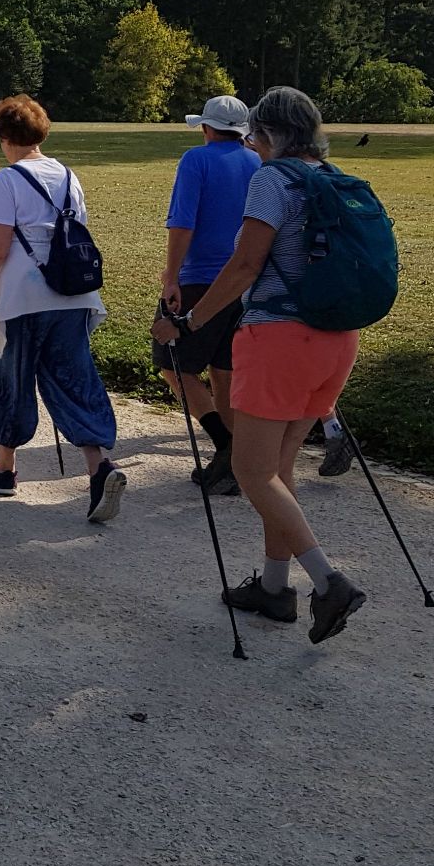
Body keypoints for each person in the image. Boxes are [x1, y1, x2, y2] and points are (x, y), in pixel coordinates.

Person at [152, 86, 367, 644]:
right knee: (279, 469)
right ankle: (274, 588)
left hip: (280, 340)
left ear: (267, 134)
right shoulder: (332, 175)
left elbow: (246, 264)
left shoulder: (273, 179)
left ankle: (328, 582)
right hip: (337, 338)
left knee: (251, 472)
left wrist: (189, 322)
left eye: (257, 136)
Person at [0, 94, 125, 523]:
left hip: (21, 297)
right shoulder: (69, 175)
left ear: (5, 137)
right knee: (73, 379)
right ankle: (98, 466)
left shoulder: (10, 178)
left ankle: (5, 468)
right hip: (71, 295)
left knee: (9, 380)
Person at [154, 95, 260, 496]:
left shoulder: (195, 160)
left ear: (206, 127)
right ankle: (232, 466)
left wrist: (172, 276)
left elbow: (182, 222)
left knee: (172, 364)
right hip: (245, 282)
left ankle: (224, 444)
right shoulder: (258, 161)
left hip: (201, 279)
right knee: (223, 369)